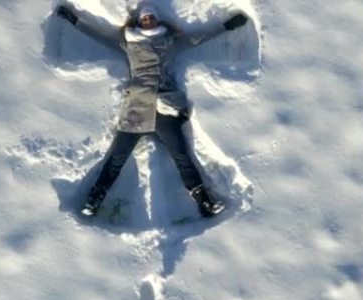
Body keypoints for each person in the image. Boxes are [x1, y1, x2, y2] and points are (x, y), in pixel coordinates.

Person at [54, 2, 249, 218]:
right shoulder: (128, 41)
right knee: (117, 157)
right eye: (144, 19)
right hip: (137, 108)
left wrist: (228, 25)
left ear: (156, 20)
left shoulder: (169, 40)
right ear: (139, 21)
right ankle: (94, 200)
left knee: (181, 155)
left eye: (151, 18)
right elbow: (98, 34)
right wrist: (73, 20)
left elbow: (199, 37)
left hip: (165, 106)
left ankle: (204, 202)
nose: (148, 21)